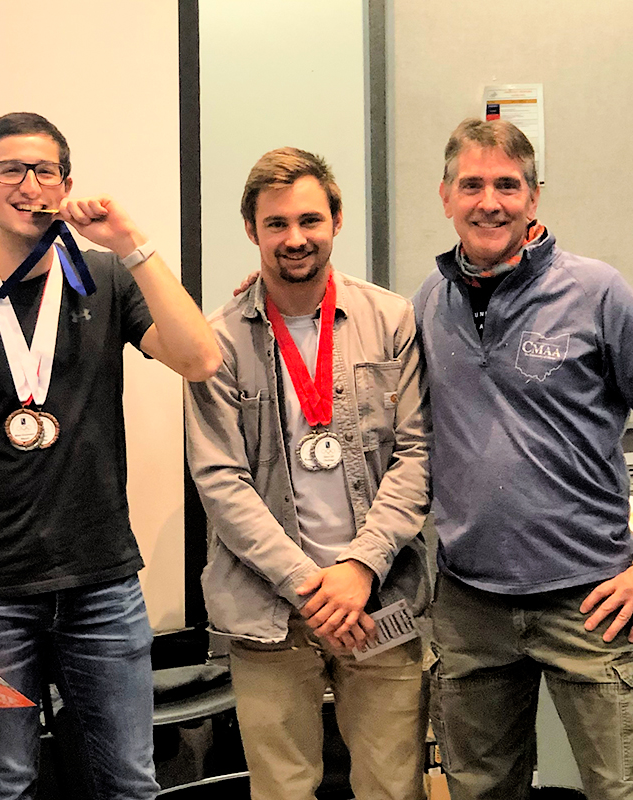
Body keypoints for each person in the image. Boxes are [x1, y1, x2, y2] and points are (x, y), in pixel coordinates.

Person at [0, 111, 221, 799]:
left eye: (45, 170)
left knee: (130, 784)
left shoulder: (105, 281)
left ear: (66, 183)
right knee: (5, 785)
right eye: (10, 171)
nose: (29, 184)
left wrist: (131, 241)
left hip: (101, 587)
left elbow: (202, 359)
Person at [414, 118, 633, 800]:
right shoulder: (430, 303)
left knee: (625, 791)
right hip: (471, 608)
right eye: (472, 184)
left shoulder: (596, 292)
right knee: (479, 792)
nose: (489, 201)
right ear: (444, 197)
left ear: (534, 198)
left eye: (507, 185)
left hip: (591, 602)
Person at [186, 147, 432, 800]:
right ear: (251, 230)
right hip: (269, 609)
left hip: (379, 601)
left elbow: (418, 456)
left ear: (337, 219)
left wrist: (358, 571)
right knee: (282, 791)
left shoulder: (391, 321)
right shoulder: (217, 342)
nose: (295, 239)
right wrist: (310, 588)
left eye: (309, 220)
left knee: (393, 788)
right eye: (276, 224)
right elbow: (219, 481)